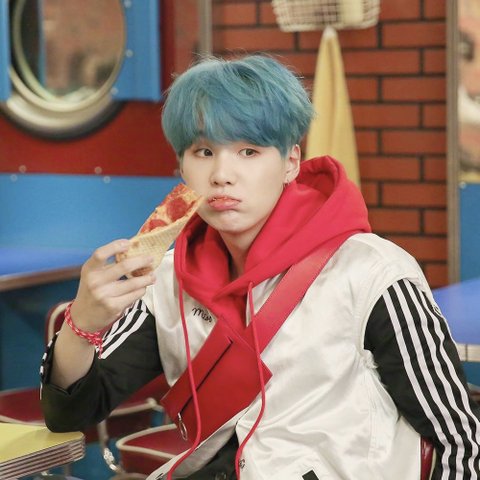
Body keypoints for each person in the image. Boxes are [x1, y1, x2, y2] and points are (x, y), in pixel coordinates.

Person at [40, 54, 480, 480]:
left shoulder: (372, 272)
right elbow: (70, 413)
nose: (222, 174)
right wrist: (83, 322)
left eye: (248, 151)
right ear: (181, 166)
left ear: (290, 162)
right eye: (203, 151)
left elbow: (458, 441)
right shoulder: (166, 279)